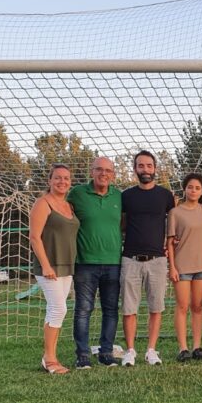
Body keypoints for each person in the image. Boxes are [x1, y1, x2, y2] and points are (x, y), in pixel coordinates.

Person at [119, 150, 175, 366]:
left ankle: (151, 350)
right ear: (135, 169)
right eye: (141, 166)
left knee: (156, 307)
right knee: (129, 307)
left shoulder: (166, 196)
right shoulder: (126, 196)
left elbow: (175, 221)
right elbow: (121, 224)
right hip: (130, 259)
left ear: (155, 169)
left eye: (149, 166)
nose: (145, 170)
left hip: (158, 261)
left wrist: (171, 244)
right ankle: (131, 350)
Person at [67, 156, 123, 369]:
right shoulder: (78, 194)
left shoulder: (119, 196)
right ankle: (82, 355)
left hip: (114, 263)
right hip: (85, 263)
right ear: (91, 171)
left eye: (108, 170)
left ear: (113, 174)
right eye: (99, 169)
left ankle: (106, 353)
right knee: (83, 309)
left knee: (111, 309)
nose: (103, 174)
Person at [29, 164, 79, 374]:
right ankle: (49, 359)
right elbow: (34, 237)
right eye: (57, 178)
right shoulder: (43, 203)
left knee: (57, 310)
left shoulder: (69, 206)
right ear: (49, 181)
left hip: (67, 265)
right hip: (49, 266)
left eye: (66, 178)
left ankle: (50, 356)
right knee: (59, 308)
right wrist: (46, 265)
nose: (62, 182)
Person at [167, 173, 202, 362]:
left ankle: (197, 346)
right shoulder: (175, 212)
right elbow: (170, 242)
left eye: (197, 188)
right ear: (185, 189)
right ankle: (183, 348)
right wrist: (172, 267)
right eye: (190, 187)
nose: (193, 190)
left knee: (198, 306)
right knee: (183, 306)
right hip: (182, 265)